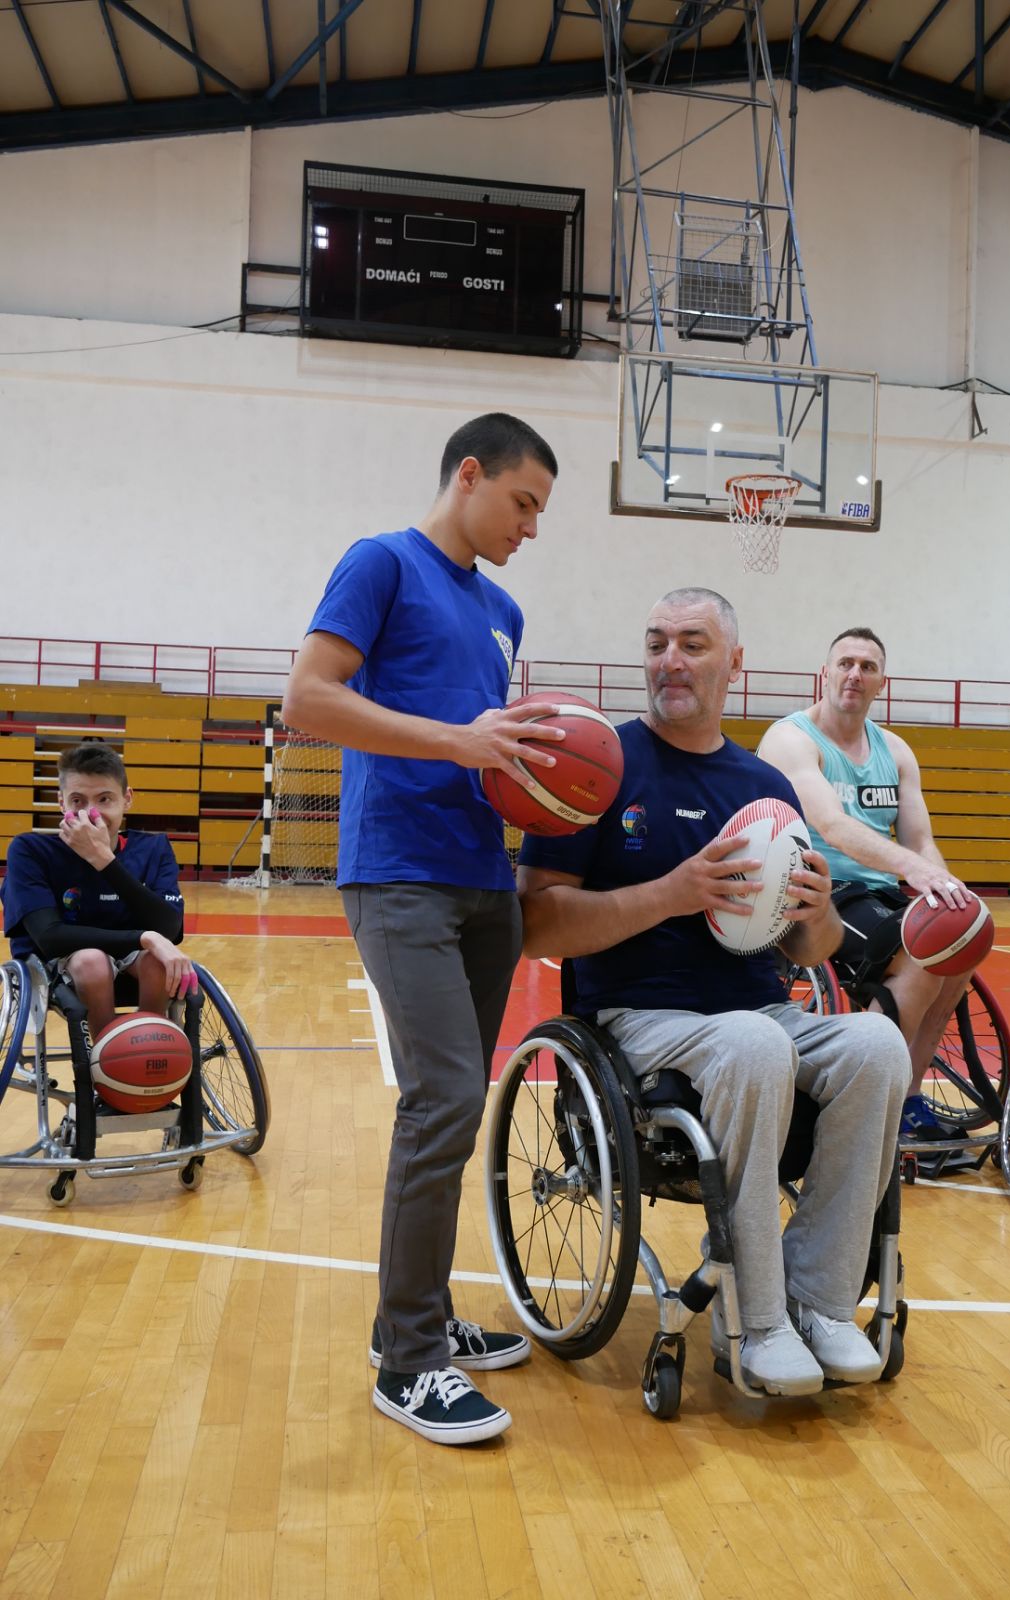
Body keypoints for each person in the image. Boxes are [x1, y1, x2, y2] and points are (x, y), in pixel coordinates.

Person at [518, 589, 909, 1397]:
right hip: (635, 1018)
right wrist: (672, 893)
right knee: (753, 1042)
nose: (669, 660)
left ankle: (819, 1299)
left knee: (877, 1044)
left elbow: (807, 950)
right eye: (655, 642)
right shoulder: (599, 765)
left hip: (756, 1009)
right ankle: (755, 1319)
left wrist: (817, 911)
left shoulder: (762, 785)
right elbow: (537, 924)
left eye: (691, 644)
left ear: (734, 661)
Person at [283, 412, 561, 1447]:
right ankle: (407, 1358)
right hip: (398, 872)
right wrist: (456, 741)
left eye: (541, 511)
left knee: (457, 1104)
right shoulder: (382, 563)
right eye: (522, 501)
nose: (531, 526)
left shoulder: (503, 609)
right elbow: (308, 699)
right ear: (469, 474)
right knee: (439, 1099)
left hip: (483, 878)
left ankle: (423, 1313)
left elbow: (489, 750)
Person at [757, 627, 983, 1160]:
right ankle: (862, 1090)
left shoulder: (895, 750)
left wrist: (949, 891)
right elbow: (832, 826)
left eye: (867, 667)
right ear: (825, 673)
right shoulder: (791, 739)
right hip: (814, 890)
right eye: (845, 663)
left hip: (877, 891)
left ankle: (906, 1095)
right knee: (923, 956)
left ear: (883, 682)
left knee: (961, 946)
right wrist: (913, 869)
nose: (855, 674)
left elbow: (920, 840)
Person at [1, 741, 195, 1036]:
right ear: (61, 803)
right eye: (78, 801)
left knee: (159, 962)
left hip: (134, 958)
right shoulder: (30, 850)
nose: (91, 813)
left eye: (105, 799)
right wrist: (144, 937)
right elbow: (49, 938)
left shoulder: (153, 848)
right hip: (63, 964)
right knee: (92, 961)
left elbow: (170, 928)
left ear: (127, 799)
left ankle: (152, 1045)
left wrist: (104, 860)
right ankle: (105, 1057)